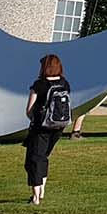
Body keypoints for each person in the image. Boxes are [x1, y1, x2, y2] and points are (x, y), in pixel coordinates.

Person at [23, 53, 72, 205]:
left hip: (41, 127)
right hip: (58, 127)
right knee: (44, 157)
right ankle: (42, 190)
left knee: (34, 159)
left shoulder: (39, 85)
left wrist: (34, 119)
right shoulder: (64, 83)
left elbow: (29, 109)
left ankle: (36, 197)